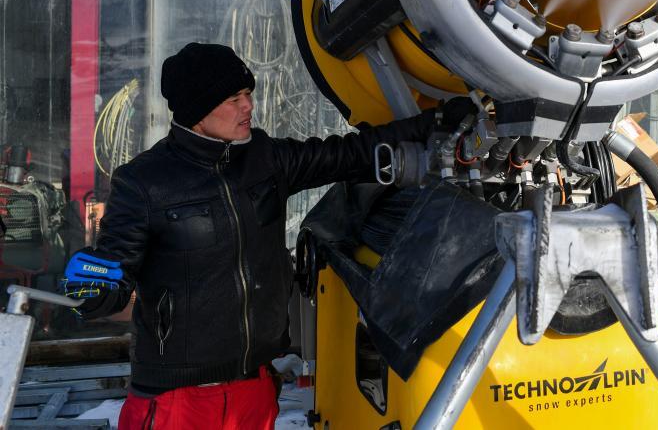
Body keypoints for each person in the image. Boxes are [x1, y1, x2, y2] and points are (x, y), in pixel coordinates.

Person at [60, 42, 474, 430]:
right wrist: (98, 292)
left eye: (248, 94)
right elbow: (116, 266)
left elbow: (348, 154)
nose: (248, 106)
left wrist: (433, 123)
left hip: (253, 388)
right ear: (197, 111)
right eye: (233, 99)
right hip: (178, 398)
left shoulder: (264, 158)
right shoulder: (143, 182)